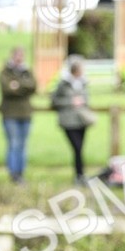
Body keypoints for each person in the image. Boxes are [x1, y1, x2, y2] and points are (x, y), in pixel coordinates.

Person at [51, 55, 94, 184]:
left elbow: (87, 100)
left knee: (80, 148)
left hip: (81, 121)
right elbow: (54, 101)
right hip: (69, 121)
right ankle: (79, 175)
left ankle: (80, 175)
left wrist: (83, 102)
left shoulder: (83, 83)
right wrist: (71, 101)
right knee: (77, 147)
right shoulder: (63, 84)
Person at [0, 46, 36, 182]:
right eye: (17, 55)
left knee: (23, 144)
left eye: (22, 55)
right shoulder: (5, 71)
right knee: (13, 143)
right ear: (12, 56)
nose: (19, 58)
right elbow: (7, 89)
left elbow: (33, 86)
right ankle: (13, 173)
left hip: (25, 114)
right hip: (10, 114)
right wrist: (23, 87)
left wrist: (17, 85)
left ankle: (21, 172)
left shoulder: (27, 71)